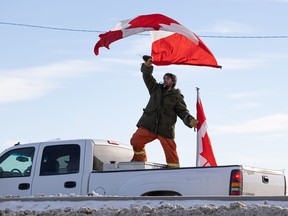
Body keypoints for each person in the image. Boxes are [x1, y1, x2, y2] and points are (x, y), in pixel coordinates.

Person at [130, 55, 198, 168]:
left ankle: (174, 169)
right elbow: (147, 76)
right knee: (135, 140)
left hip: (165, 128)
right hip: (149, 124)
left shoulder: (176, 97)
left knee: (171, 152)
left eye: (168, 78)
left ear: (173, 82)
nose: (165, 80)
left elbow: (182, 111)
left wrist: (190, 120)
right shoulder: (155, 89)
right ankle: (139, 159)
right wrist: (147, 65)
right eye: (164, 78)